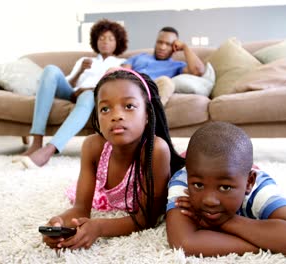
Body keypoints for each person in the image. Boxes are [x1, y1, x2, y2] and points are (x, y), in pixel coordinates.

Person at [42, 68, 185, 250]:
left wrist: (100, 227)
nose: (116, 115)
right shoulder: (92, 147)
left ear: (147, 114)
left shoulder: (155, 151)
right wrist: (59, 223)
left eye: (129, 106)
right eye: (105, 109)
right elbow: (80, 208)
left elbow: (148, 218)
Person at [165, 121, 286, 258]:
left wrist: (227, 222)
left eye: (225, 187)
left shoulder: (259, 188)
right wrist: (263, 246)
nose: (209, 200)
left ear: (249, 182)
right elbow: (184, 243)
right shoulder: (183, 181)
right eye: (199, 185)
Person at [15, 19, 128, 168]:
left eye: (110, 39)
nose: (105, 42)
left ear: (117, 42)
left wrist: (89, 89)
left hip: (93, 96)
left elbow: (115, 88)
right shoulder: (84, 60)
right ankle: (36, 142)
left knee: (88, 96)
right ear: (95, 41)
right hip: (73, 93)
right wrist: (80, 71)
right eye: (101, 38)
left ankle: (49, 150)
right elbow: (69, 84)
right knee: (50, 70)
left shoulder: (121, 63)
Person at [121, 26, 205, 106]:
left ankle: (152, 115)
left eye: (168, 44)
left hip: (152, 89)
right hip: (133, 86)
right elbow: (123, 73)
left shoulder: (177, 65)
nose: (162, 47)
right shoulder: (139, 57)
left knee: (167, 82)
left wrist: (185, 47)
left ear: (174, 47)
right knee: (114, 71)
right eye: (160, 42)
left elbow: (198, 71)